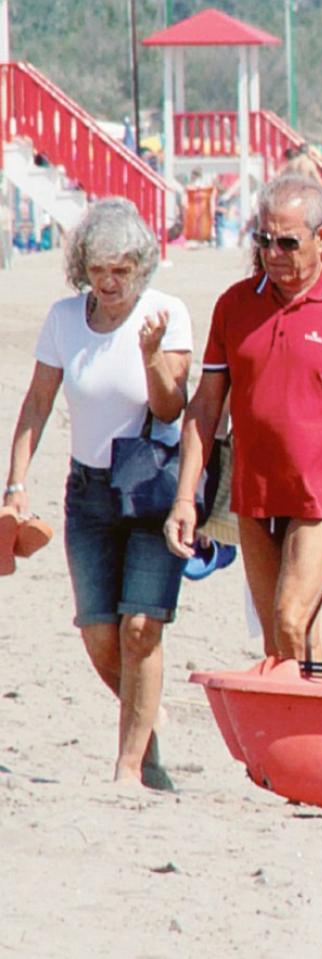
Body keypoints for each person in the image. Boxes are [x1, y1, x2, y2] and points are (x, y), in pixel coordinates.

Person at [165, 174, 322, 662]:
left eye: (287, 242)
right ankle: (318, 726)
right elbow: (205, 408)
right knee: (279, 642)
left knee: (293, 618)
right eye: (263, 240)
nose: (273, 253)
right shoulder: (235, 305)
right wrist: (185, 498)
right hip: (253, 496)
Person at [5, 199, 191, 790]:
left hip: (150, 490)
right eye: (100, 269)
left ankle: (130, 767)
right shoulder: (64, 319)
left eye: (123, 270)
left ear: (143, 267)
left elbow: (172, 407)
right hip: (87, 494)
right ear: (82, 266)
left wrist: (151, 354)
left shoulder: (167, 313)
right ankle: (146, 722)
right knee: (99, 634)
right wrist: (15, 483)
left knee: (142, 628)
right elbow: (37, 405)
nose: (110, 283)